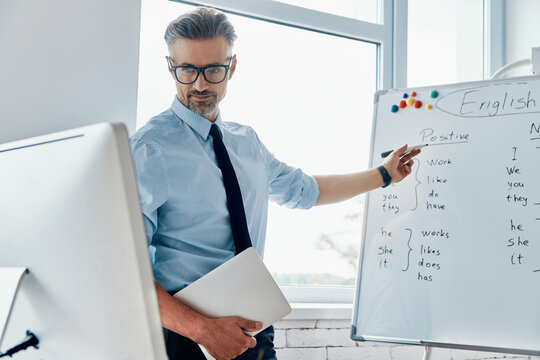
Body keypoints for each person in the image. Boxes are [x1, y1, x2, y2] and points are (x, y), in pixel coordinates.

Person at [130, 6, 419, 360]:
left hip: (254, 330)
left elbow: (306, 191)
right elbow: (129, 270)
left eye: (214, 70)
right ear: (170, 66)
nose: (200, 84)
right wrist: (204, 332)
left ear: (232, 66)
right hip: (186, 338)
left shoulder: (246, 142)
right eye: (187, 70)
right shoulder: (148, 149)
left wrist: (385, 174)